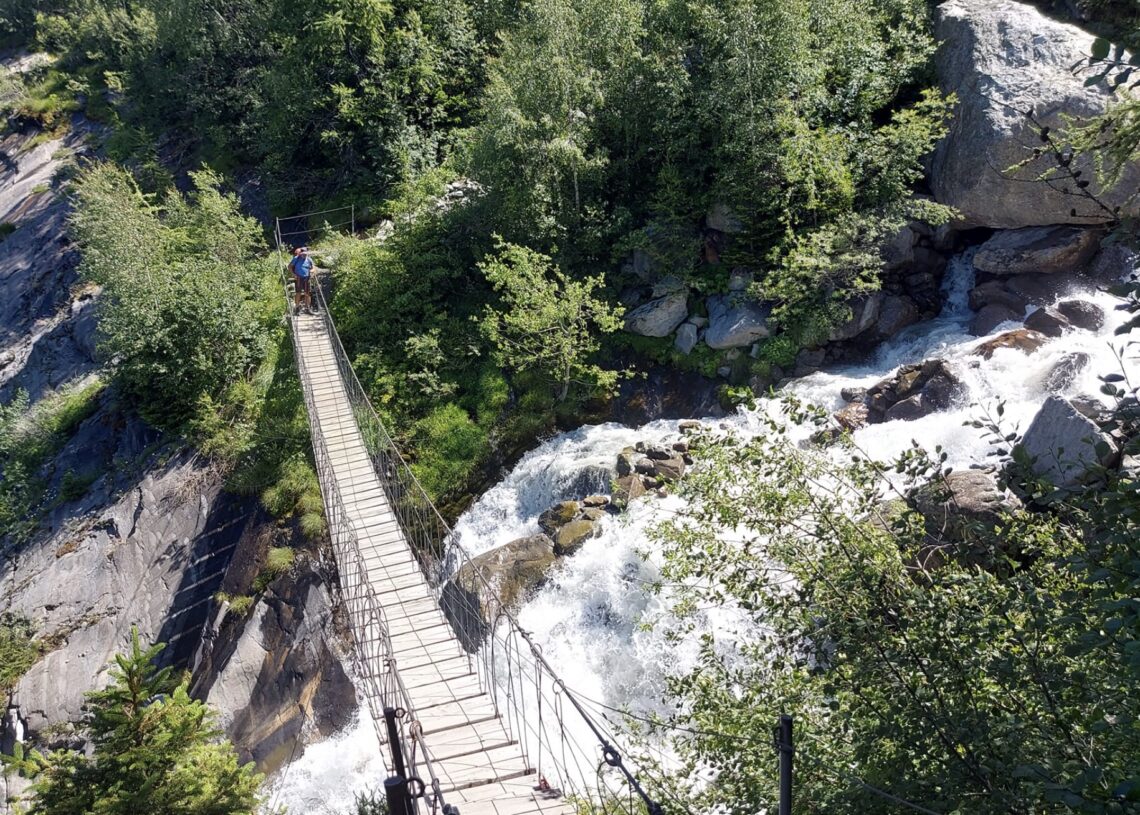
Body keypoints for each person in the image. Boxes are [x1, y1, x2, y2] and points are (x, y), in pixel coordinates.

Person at [288, 246, 314, 314]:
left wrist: (311, 271)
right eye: (303, 254)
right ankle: (297, 308)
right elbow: (290, 266)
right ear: (301, 253)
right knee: (298, 293)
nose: (304, 255)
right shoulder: (296, 258)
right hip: (299, 278)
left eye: (305, 254)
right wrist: (293, 274)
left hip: (306, 278)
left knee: (307, 293)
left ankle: (308, 308)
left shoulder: (309, 259)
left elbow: (313, 268)